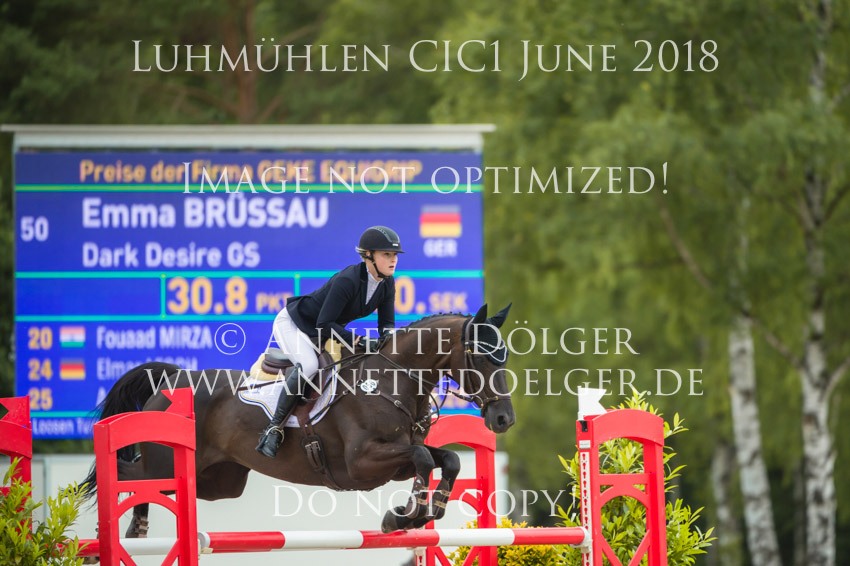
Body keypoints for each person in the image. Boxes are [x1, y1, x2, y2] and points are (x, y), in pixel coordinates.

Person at [256, 226, 403, 458]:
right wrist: (359, 340)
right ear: (368, 256)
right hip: (294, 324)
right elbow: (324, 323)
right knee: (309, 365)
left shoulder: (387, 283)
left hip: (322, 332)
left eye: (394, 255)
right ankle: (274, 428)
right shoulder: (348, 280)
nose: (393, 259)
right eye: (387, 254)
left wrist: (390, 344)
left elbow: (386, 324)